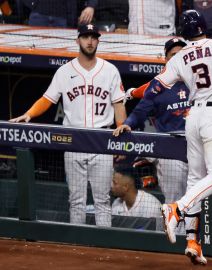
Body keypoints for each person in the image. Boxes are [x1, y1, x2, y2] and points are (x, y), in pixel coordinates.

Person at [122, 1, 212, 265]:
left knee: (196, 178)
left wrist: (133, 93)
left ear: (184, 33)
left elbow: (155, 87)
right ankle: (177, 208)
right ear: (204, 26)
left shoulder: (179, 57)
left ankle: (192, 242)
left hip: (193, 117)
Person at [10, 24, 127, 227]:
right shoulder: (64, 71)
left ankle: (103, 246)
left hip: (101, 140)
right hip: (73, 140)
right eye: (85, 37)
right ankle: (77, 245)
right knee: (76, 201)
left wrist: (120, 138)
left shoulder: (110, 70)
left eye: (93, 37)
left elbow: (118, 105)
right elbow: (47, 99)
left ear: (98, 40)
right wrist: (28, 114)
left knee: (102, 200)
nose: (89, 41)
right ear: (77, 40)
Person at [114, 37, 189, 205]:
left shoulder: (197, 80)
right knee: (175, 203)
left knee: (200, 203)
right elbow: (140, 112)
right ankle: (173, 231)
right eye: (173, 54)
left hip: (198, 149)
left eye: (181, 54)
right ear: (166, 59)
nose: (177, 58)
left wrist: (133, 92)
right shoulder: (157, 87)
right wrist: (128, 123)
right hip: (172, 151)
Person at [20, 0, 97, 27]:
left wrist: (91, 6)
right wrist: (33, 4)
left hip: (64, 17)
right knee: (35, 53)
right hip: (39, 14)